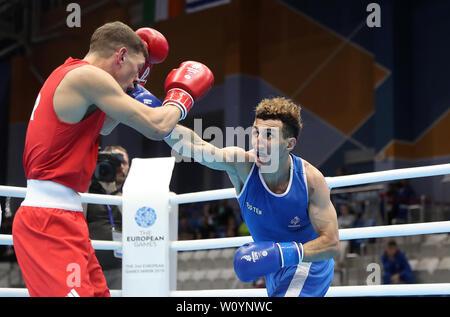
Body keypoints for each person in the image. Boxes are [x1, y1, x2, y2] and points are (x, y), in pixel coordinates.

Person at [12, 21, 214, 297]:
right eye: (137, 69)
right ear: (120, 55)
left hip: (67, 217)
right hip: (48, 220)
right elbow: (157, 127)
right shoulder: (86, 77)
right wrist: (182, 97)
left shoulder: (78, 80)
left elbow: (107, 124)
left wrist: (134, 86)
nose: (136, 80)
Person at [164, 97, 339, 297]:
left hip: (309, 266)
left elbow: (331, 244)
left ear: (289, 144)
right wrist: (158, 115)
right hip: (274, 269)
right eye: (256, 132)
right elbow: (197, 147)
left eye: (269, 136)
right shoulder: (242, 166)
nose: (259, 142)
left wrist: (283, 253)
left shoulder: (311, 180)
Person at [85, 145, 130, 290]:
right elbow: (77, 217)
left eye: (124, 163)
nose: (120, 167)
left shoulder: (132, 192)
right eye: (116, 162)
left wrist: (114, 194)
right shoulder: (89, 191)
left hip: (123, 269)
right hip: (91, 269)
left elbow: (135, 222)